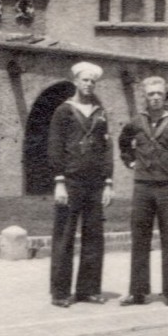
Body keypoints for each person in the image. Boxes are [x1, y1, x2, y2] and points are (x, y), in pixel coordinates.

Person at [47, 61, 114, 308]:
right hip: (71, 181)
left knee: (94, 236)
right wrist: (59, 182)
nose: (89, 85)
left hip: (95, 183)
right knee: (64, 236)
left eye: (92, 81)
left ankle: (88, 289)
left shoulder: (100, 111)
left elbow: (107, 148)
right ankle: (60, 292)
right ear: (76, 81)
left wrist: (108, 181)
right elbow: (55, 147)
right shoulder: (64, 111)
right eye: (85, 80)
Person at [118, 76, 168, 307]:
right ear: (145, 97)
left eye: (159, 93)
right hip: (143, 186)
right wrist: (129, 162)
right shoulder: (137, 121)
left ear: (164, 95)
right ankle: (137, 291)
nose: (155, 98)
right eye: (151, 94)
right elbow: (123, 141)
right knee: (139, 239)